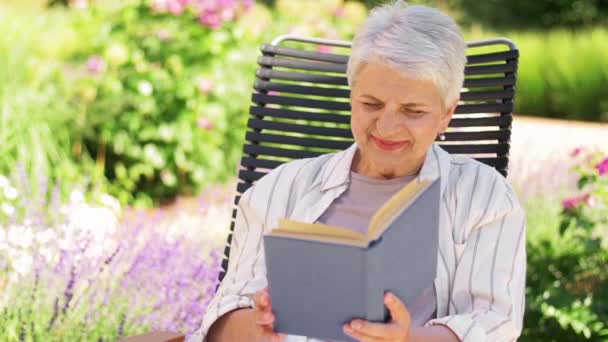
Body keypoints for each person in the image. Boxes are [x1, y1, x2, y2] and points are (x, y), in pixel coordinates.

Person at [189, 1, 526, 341]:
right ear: (352, 97)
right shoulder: (280, 188)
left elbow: (493, 323)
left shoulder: (484, 198)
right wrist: (256, 329)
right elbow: (224, 313)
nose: (388, 126)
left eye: (413, 111)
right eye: (372, 104)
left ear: (446, 115)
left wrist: (407, 339)